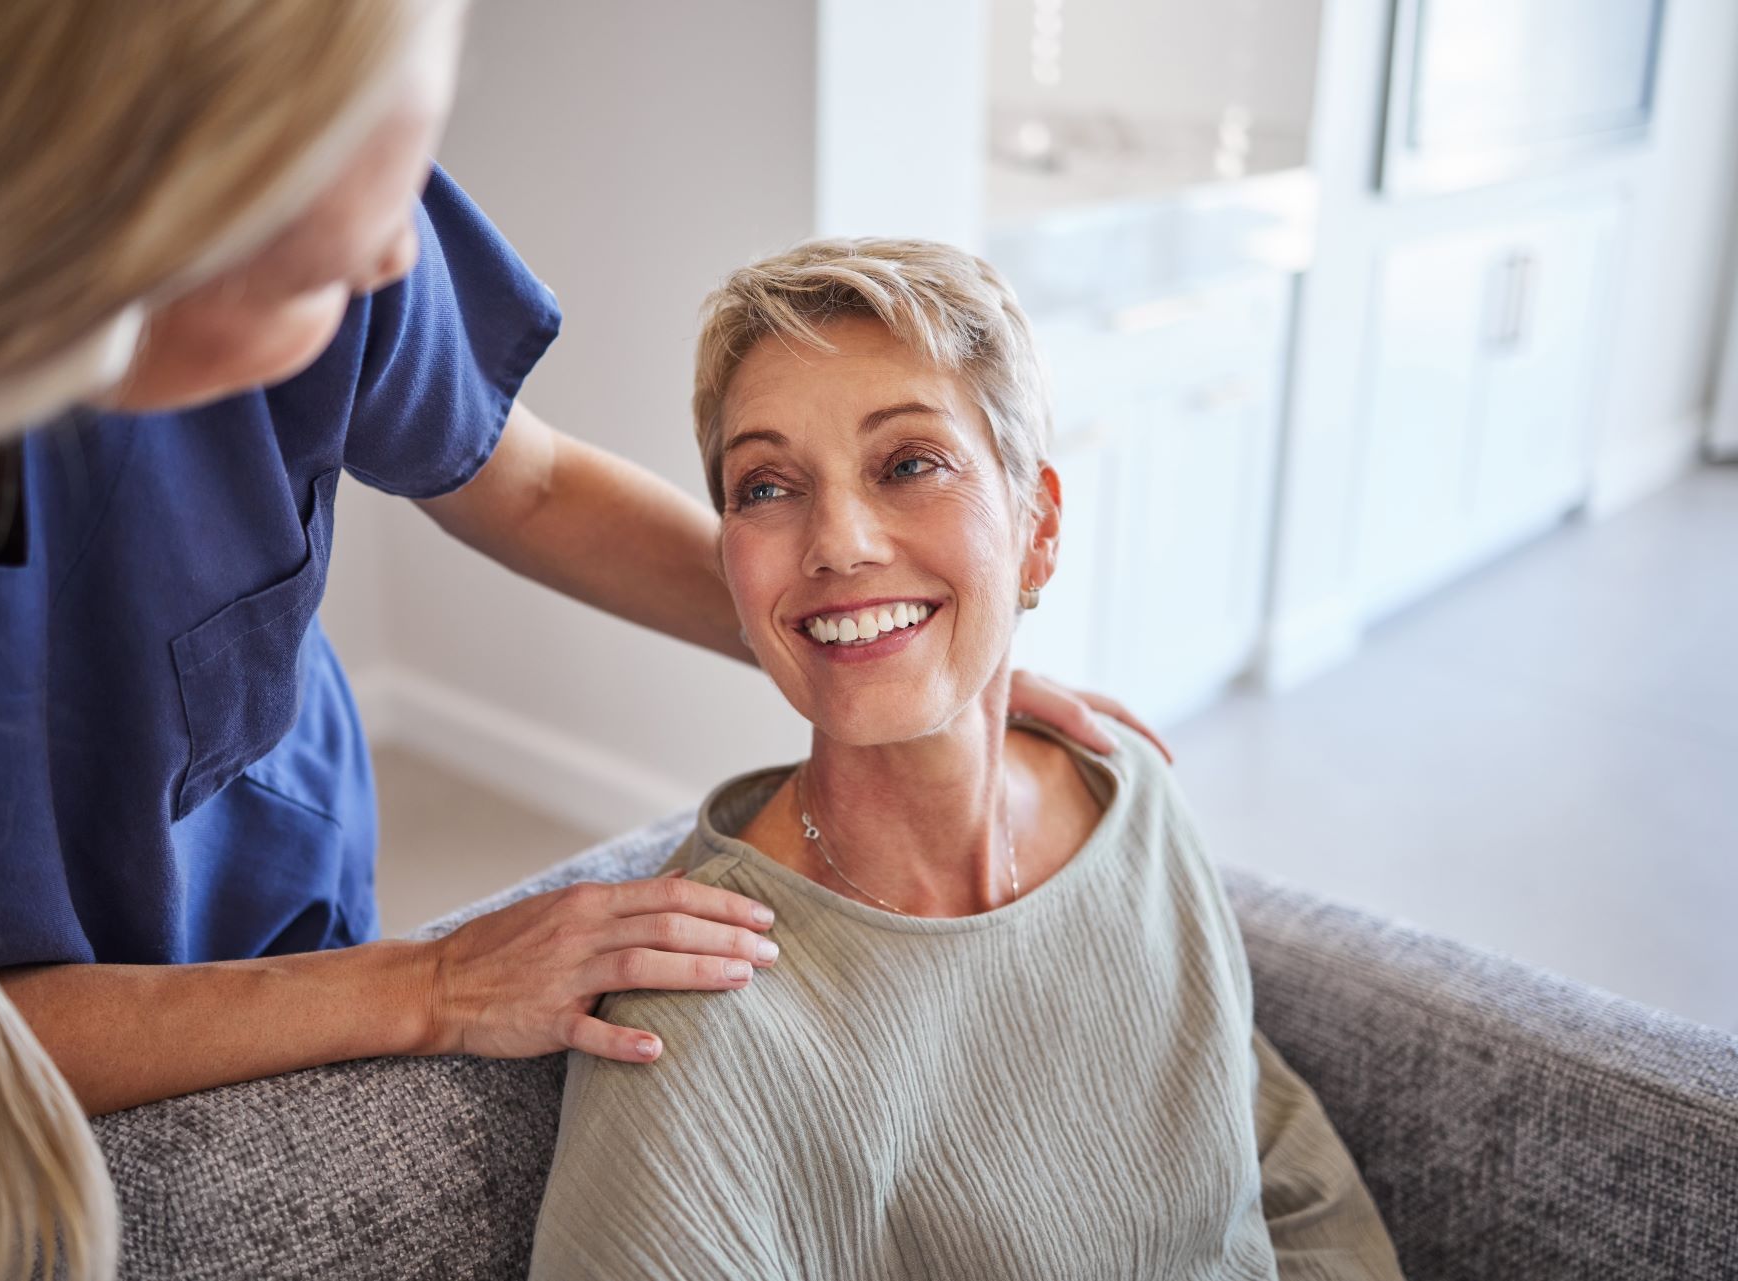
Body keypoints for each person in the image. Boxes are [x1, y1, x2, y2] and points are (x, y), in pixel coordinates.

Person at [0, 6, 1165, 1278]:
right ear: (121, 249)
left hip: (282, 898)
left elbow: (517, 482)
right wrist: (430, 986)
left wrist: (882, 644)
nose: (401, 264)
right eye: (337, 259)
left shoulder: (349, 205)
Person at [527, 240, 1405, 1279]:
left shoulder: (1129, 792)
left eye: (909, 464)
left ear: (1039, 529)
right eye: (766, 486)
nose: (838, 542)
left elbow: (1283, 1179)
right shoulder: (699, 1001)